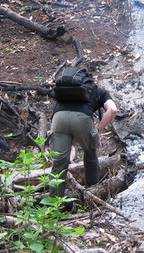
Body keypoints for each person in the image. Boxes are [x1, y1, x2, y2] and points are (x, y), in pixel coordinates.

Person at [49, 64, 118, 199]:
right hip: (82, 119)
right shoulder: (98, 91)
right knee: (90, 154)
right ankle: (93, 194)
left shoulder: (65, 92)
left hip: (58, 118)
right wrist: (98, 129)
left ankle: (53, 205)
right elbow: (113, 110)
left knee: (59, 163)